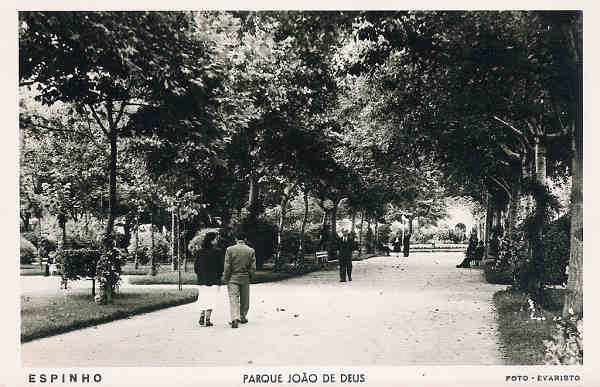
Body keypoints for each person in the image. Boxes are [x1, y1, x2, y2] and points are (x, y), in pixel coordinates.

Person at [221, 230, 256, 329]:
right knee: (245, 299)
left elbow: (227, 265)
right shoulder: (250, 250)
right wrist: (251, 276)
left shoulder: (229, 250)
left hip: (233, 278)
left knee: (233, 298)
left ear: (235, 239)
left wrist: (226, 277)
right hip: (245, 277)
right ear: (245, 239)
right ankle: (242, 316)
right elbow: (253, 267)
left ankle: (234, 318)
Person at [194, 232, 224, 327]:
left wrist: (200, 275)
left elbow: (196, 267)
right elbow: (221, 267)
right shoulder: (217, 252)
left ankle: (202, 315)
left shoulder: (199, 252)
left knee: (203, 297)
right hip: (214, 279)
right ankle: (207, 319)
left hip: (202, 279)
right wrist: (219, 276)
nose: (217, 240)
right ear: (211, 240)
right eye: (215, 239)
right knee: (211, 299)